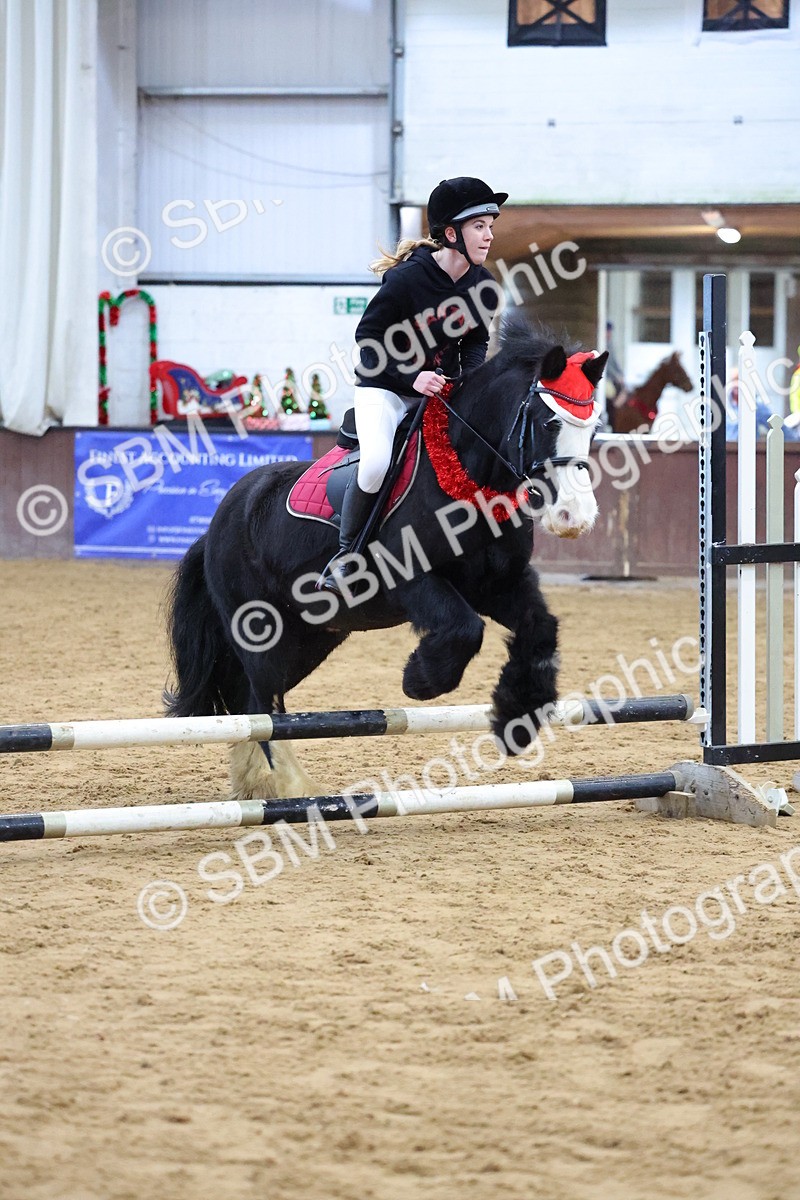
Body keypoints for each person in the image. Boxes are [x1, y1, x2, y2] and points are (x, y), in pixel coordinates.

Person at [318, 176, 508, 592]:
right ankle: (346, 556)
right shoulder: (407, 280)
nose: (489, 235)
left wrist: (466, 381)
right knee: (374, 465)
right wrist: (411, 376)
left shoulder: (484, 286)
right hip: (385, 388)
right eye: (480, 226)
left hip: (439, 391)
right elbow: (368, 339)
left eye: (491, 225)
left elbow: (475, 340)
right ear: (452, 233)